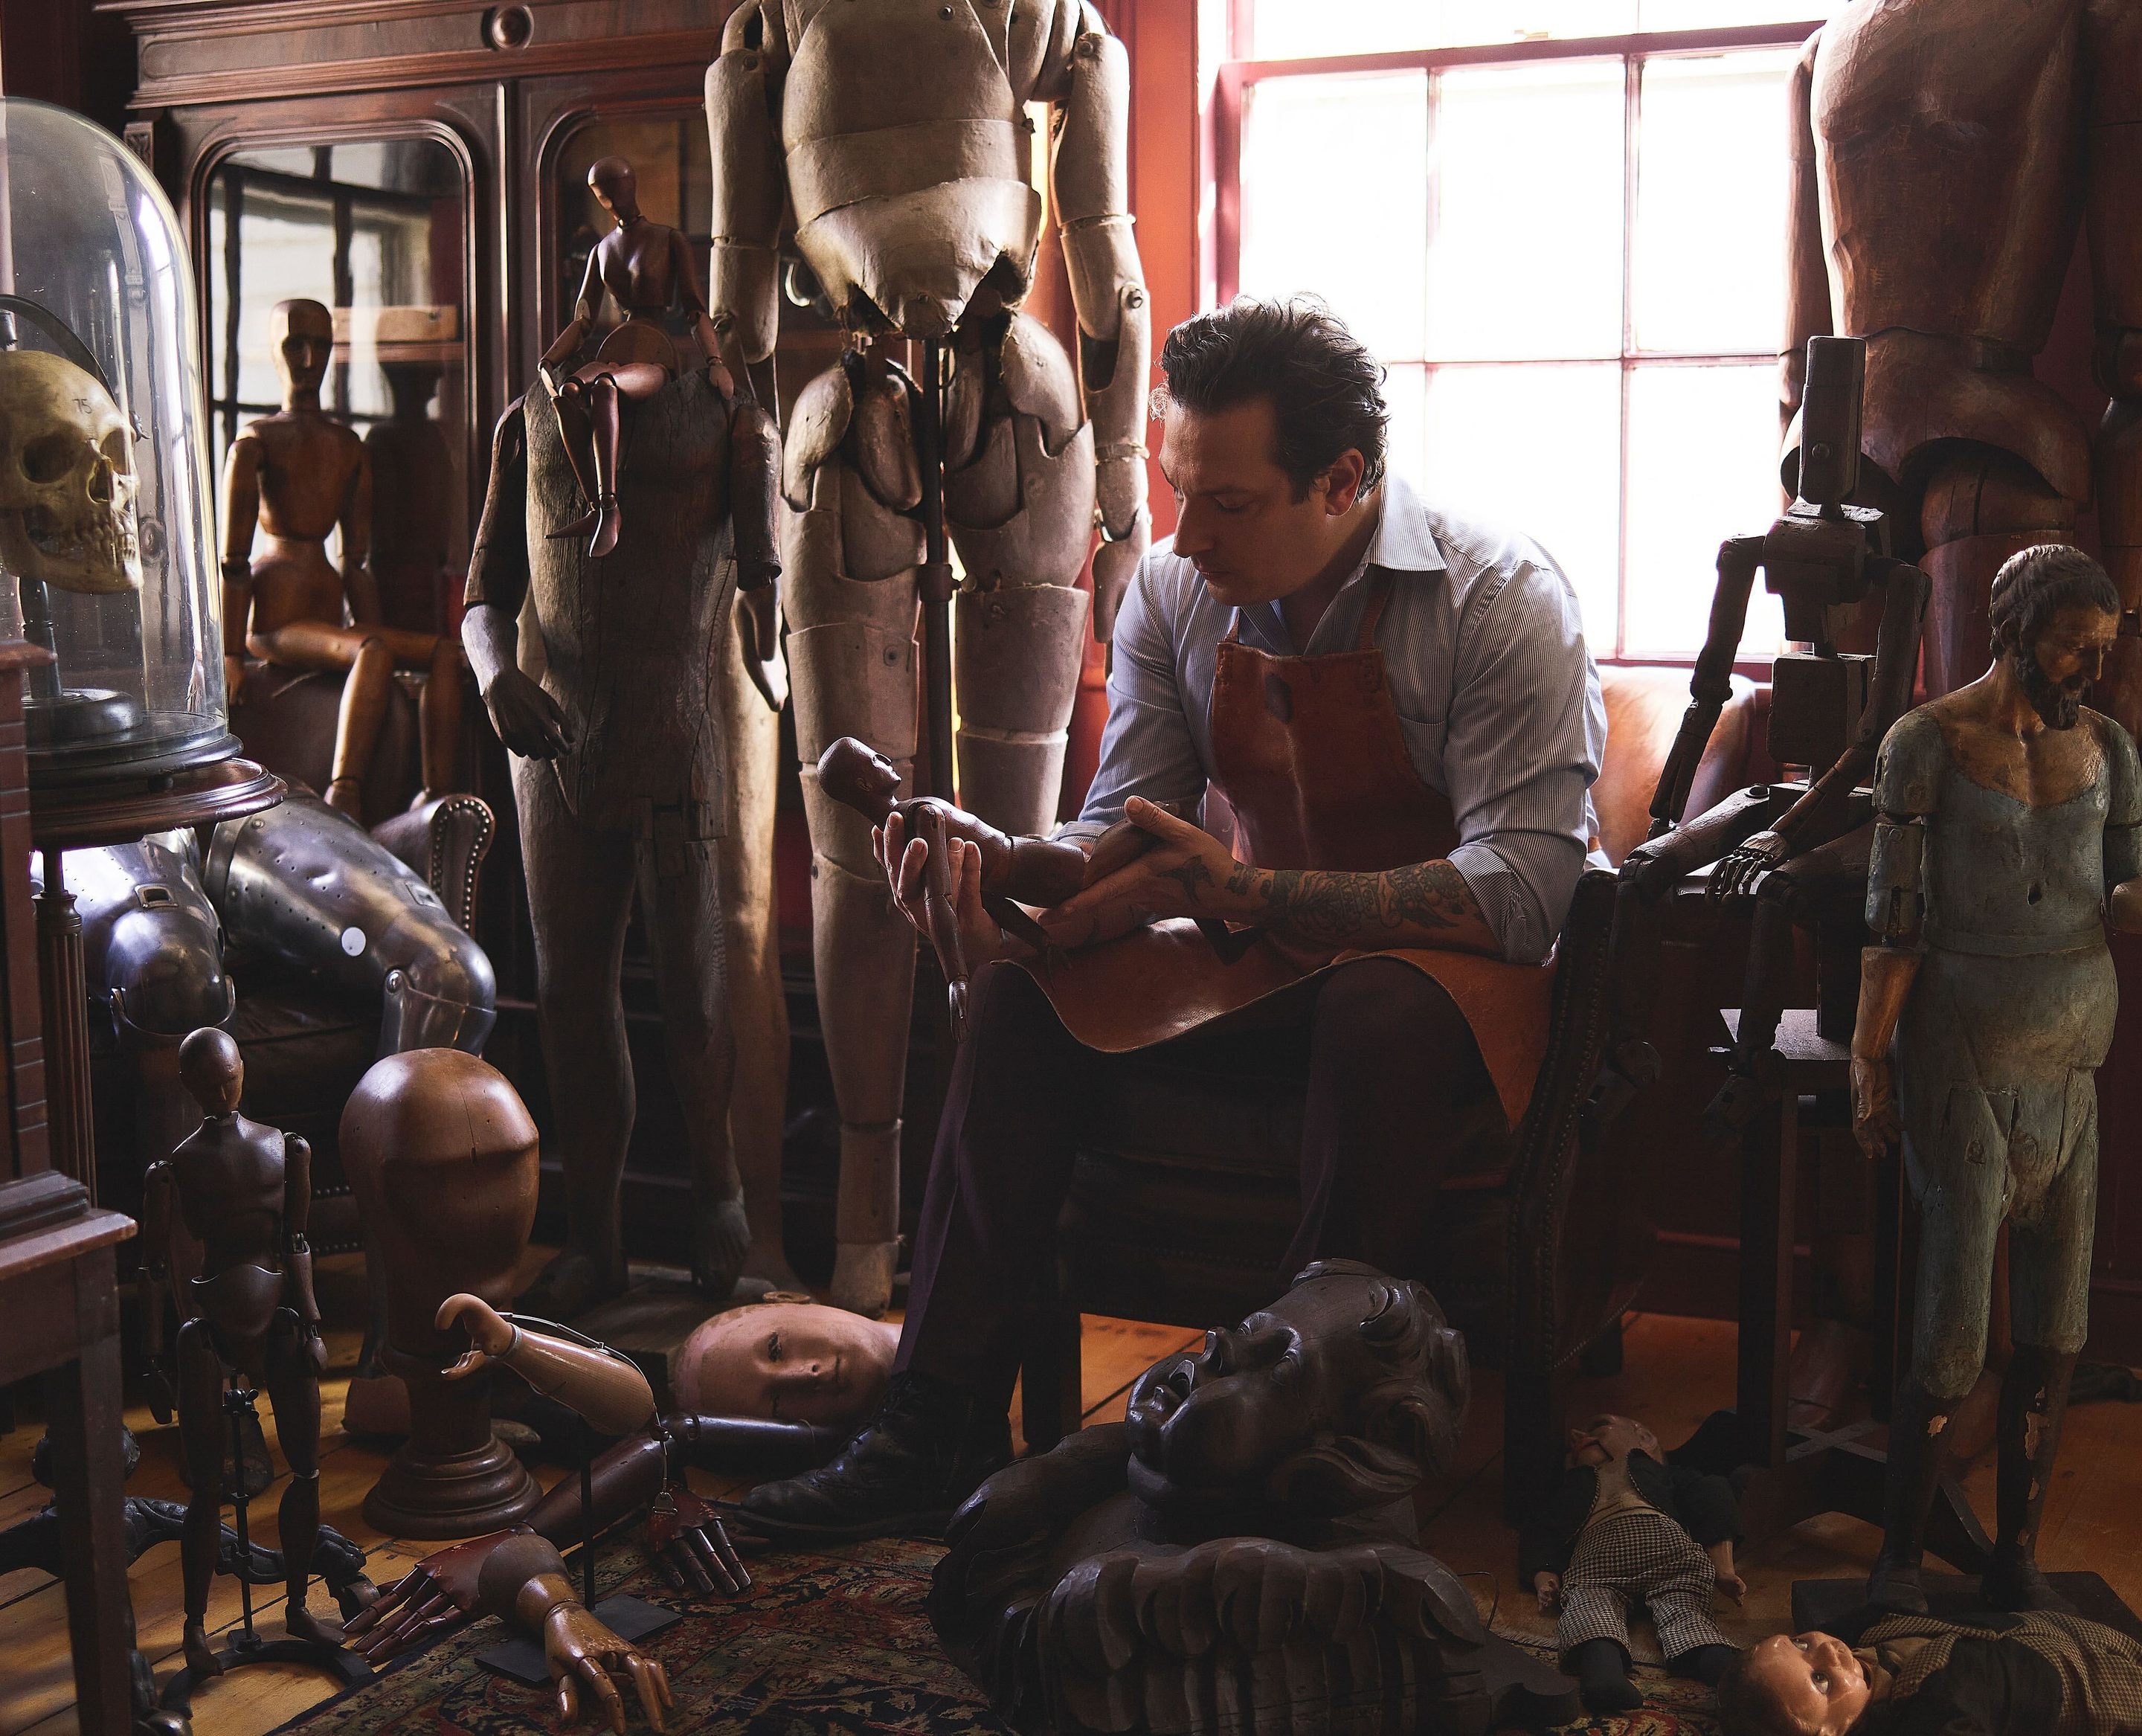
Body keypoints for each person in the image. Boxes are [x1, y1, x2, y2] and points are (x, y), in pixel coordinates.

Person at [737, 297, 1604, 1540]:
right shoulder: (1178, 592)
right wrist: (1010, 859)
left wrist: (1255, 893)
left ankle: (1297, 1447)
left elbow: (1525, 892)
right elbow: (1126, 816)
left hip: (1455, 986)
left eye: (1229, 503)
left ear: (1345, 480)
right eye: (1178, 490)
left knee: (1379, 1008)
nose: (1185, 536)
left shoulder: (1503, 600)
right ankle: (937, 1424)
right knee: (1023, 1001)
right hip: (1263, 958)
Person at [1849, 545, 2142, 1614]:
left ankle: (2017, 1556)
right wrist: (1871, 1057)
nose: (2094, 673)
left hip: (2073, 1061)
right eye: (2079, 647)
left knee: (2060, 1325)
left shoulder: (2110, 750)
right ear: (2017, 628)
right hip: (1959, 1053)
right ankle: (1900, 1559)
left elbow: (2123, 888)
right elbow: (1894, 922)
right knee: (1953, 1328)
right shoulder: (1924, 742)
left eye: (2105, 653)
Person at [1521, 1413, 1743, 1713]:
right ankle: (1602, 1673)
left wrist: (1723, 1567)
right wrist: (1543, 1575)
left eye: (1597, 1426)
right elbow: (1541, 1531)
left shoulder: (1662, 1474)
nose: (1575, 1435)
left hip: (1667, 1554)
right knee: (1588, 1605)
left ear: (1645, 1439)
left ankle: (1723, 1668)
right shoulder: (1571, 1488)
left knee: (1686, 1608)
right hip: (1596, 1565)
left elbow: (1711, 1495)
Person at [1717, 1609, 2142, 1736]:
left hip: (2060, 1633)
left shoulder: (1863, 1646)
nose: (1827, 1650)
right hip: (2100, 1687)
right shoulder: (1929, 1715)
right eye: (1820, 1681)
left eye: (1799, 1642)